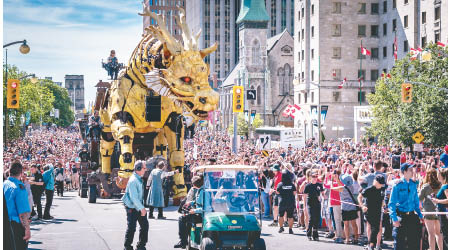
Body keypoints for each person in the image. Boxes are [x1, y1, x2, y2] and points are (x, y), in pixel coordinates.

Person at [388, 163, 423, 250]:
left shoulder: (413, 184)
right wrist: (394, 219)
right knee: (400, 243)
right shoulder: (397, 185)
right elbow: (391, 204)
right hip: (401, 216)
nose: (412, 172)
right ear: (404, 172)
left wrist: (420, 215)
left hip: (411, 216)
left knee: (414, 243)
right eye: (410, 170)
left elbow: (416, 202)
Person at [3, 162, 31, 250]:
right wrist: (27, 229)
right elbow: (22, 212)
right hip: (15, 226)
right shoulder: (19, 187)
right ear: (21, 173)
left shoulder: (4, 184)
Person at [122, 160, 149, 250]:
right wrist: (142, 209)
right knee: (132, 227)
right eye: (144, 168)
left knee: (144, 225)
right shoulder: (133, 180)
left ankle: (141, 246)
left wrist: (141, 208)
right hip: (132, 207)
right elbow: (134, 198)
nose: (145, 170)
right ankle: (127, 247)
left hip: (138, 206)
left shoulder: (138, 178)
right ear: (138, 169)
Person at [174, 175, 204, 249]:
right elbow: (196, 201)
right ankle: (184, 241)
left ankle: (183, 242)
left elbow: (205, 207)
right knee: (185, 216)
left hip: (202, 215)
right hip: (199, 212)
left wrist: (194, 210)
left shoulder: (202, 191)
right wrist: (190, 203)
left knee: (182, 219)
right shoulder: (201, 190)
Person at [419, 168, 444, 250]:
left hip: (428, 212)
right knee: (438, 233)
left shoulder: (425, 186)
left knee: (431, 234)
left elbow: (419, 199)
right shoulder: (440, 185)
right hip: (439, 211)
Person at [359, 175, 386, 250]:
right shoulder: (369, 189)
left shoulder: (382, 190)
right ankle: (371, 245)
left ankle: (370, 244)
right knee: (375, 228)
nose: (381, 184)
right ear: (376, 181)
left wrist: (384, 206)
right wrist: (362, 206)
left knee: (376, 229)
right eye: (380, 183)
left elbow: (382, 200)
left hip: (378, 211)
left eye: (382, 183)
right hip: (369, 211)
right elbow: (359, 197)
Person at [335, 174, 359, 245]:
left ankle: (347, 239)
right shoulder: (351, 187)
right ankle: (356, 238)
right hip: (352, 207)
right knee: (354, 224)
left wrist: (336, 180)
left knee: (346, 224)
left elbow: (333, 187)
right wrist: (338, 180)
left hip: (345, 207)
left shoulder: (341, 188)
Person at [302, 170, 324, 241]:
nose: (315, 178)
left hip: (317, 203)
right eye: (313, 176)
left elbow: (323, 194)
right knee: (311, 218)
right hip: (310, 203)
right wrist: (305, 206)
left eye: (316, 176)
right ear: (310, 177)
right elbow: (304, 196)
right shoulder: (308, 185)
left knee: (317, 219)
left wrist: (321, 196)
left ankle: (315, 234)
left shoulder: (319, 185)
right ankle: (308, 234)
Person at [277, 170, 296, 234]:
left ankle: (281, 228)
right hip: (290, 202)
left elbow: (277, 192)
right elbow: (294, 193)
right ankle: (290, 229)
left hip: (282, 201)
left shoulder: (280, 184)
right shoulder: (292, 185)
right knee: (290, 216)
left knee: (281, 215)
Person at [432, 168, 448, 249]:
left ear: (443, 176)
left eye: (439, 174)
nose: (437, 176)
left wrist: (437, 200)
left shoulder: (445, 186)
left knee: (445, 234)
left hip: (443, 212)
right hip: (441, 211)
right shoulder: (444, 185)